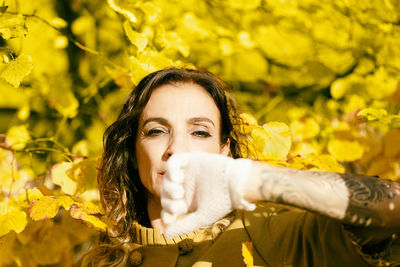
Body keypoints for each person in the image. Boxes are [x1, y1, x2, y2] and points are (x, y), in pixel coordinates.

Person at [80, 67, 400, 266]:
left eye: (200, 131)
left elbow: (392, 207)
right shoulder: (102, 261)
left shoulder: (275, 233)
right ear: (134, 152)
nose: (177, 149)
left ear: (224, 152)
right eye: (156, 131)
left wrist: (251, 180)